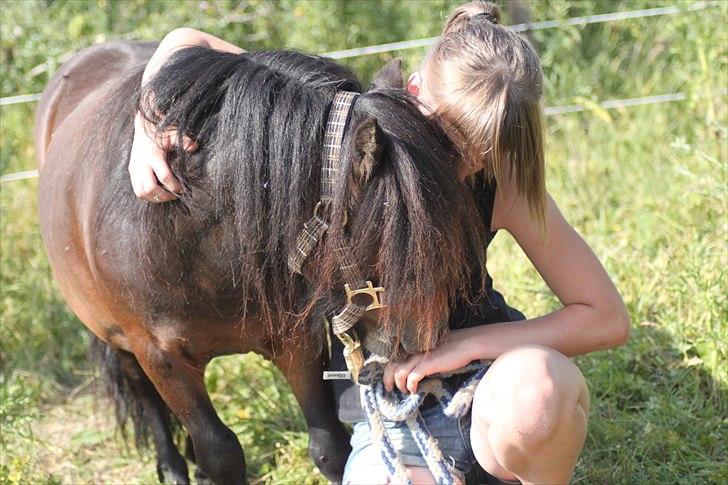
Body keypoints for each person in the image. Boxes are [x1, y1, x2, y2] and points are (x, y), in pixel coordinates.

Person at [128, 2, 630, 484]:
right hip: (392, 407)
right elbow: (187, 41)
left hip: (489, 392)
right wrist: (146, 123)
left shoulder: (498, 182)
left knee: (539, 389)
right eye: (451, 138)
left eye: (484, 150)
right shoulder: (341, 142)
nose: (461, 164)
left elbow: (604, 316)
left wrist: (464, 345)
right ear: (413, 91)